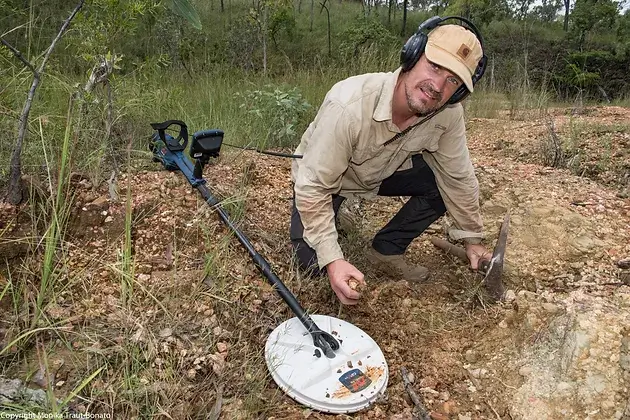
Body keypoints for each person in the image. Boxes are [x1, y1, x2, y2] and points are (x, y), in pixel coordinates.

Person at [290, 16, 492, 305]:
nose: (437, 85)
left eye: (452, 80)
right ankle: (338, 212)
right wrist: (333, 260)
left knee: (441, 184)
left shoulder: (447, 114)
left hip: (379, 172)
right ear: (412, 54)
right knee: (312, 266)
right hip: (325, 182)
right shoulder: (348, 104)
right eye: (434, 66)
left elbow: (457, 177)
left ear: (459, 92)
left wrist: (473, 239)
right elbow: (313, 187)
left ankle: (387, 247)